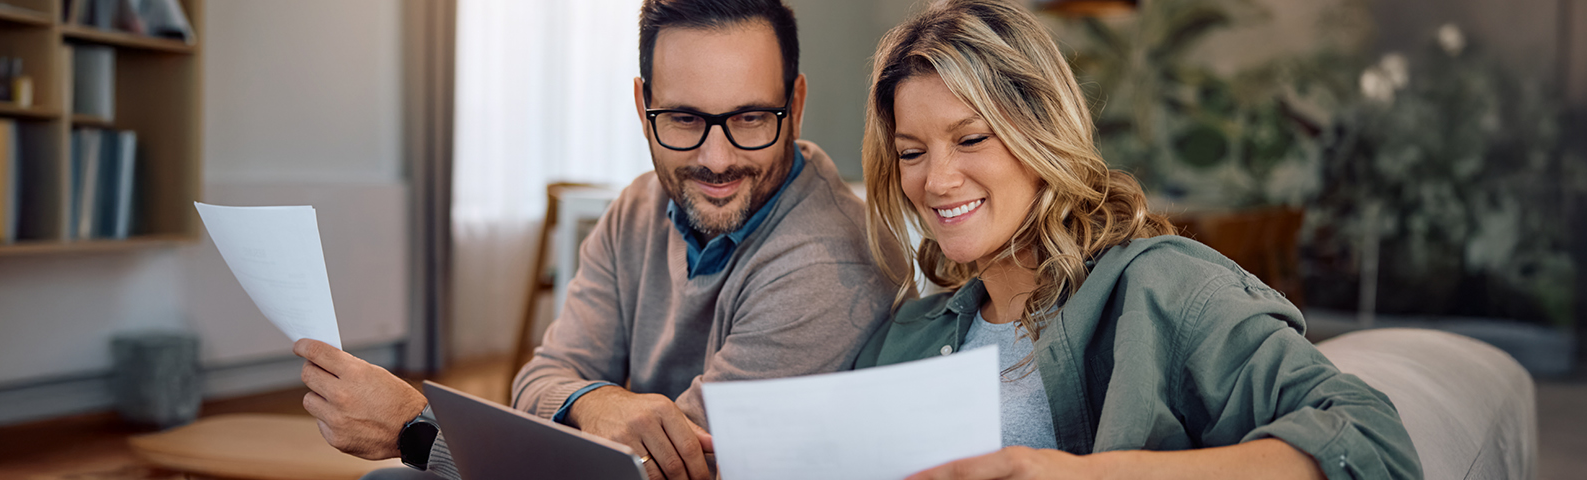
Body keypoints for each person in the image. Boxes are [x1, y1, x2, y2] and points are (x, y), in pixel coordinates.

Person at [293, 1, 904, 479]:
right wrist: (594, 402)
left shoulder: (832, 261)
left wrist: (414, 431)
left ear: (794, 106)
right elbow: (540, 379)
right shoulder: (637, 206)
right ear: (644, 108)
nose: (717, 159)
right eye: (685, 119)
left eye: (749, 118)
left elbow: (652, 474)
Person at [851, 1, 1421, 479]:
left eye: (971, 138)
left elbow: (1371, 442)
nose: (938, 179)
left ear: (1041, 135)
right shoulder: (904, 340)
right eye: (911, 153)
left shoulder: (1161, 289)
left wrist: (1085, 475)